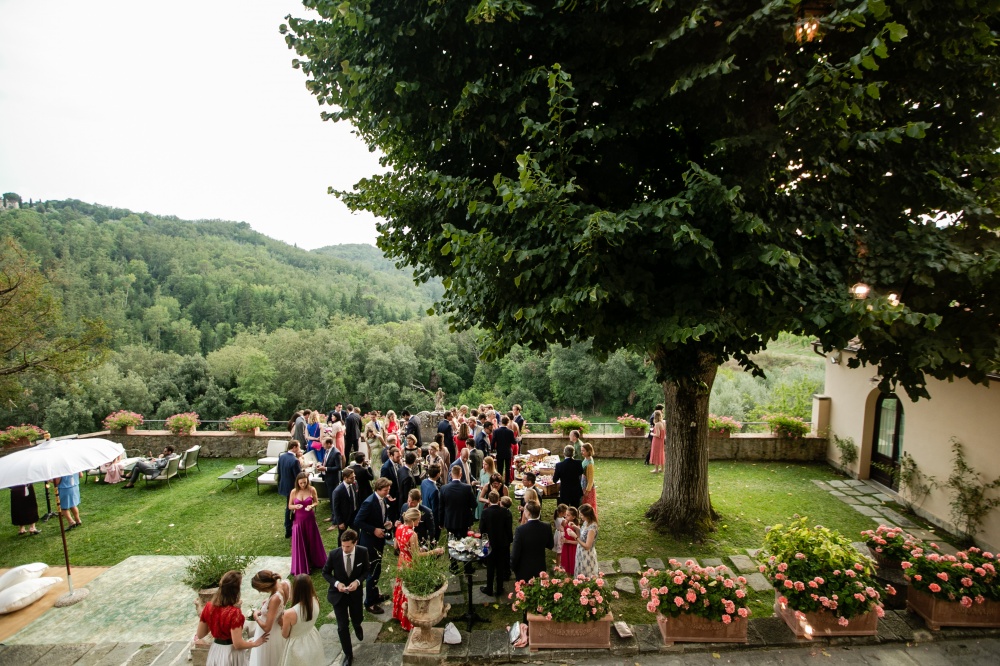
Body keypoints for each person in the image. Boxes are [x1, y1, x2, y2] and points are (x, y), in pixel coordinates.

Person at [196, 570, 268, 665]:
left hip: (215, 651)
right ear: (236, 591)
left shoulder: (209, 607)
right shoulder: (234, 613)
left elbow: (200, 634)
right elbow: (237, 644)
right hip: (231, 654)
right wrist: (255, 643)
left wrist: (216, 623)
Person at [392, 508, 445, 630]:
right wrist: (434, 551)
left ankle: (398, 614)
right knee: (410, 592)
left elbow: (396, 546)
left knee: (401, 588)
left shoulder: (399, 528)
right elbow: (416, 556)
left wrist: (408, 551)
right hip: (411, 564)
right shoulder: (412, 534)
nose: (420, 521)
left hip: (401, 561)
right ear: (413, 520)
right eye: (418, 519)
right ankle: (408, 619)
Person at [323, 529, 368, 666]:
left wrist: (358, 582)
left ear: (355, 543)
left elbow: (366, 570)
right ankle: (348, 654)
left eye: (348, 546)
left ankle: (357, 624)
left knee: (357, 616)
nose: (345, 549)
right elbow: (325, 572)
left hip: (355, 594)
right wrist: (337, 584)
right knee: (342, 627)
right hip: (339, 595)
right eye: (343, 546)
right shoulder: (334, 554)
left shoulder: (362, 552)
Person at [355, 477, 393, 614]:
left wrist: (384, 524)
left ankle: (375, 595)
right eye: (385, 490)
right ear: (377, 489)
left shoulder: (382, 499)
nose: (387, 492)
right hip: (369, 542)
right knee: (372, 571)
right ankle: (369, 603)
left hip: (378, 540)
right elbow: (358, 521)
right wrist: (374, 530)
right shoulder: (369, 502)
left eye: (388, 490)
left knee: (377, 569)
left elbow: (379, 516)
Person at [289, 473, 328, 575]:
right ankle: (303, 565)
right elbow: (289, 506)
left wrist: (311, 506)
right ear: (297, 482)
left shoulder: (312, 489)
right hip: (298, 520)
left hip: (309, 519)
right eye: (301, 483)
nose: (303, 485)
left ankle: (316, 561)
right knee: (300, 542)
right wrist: (295, 507)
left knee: (312, 540)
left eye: (305, 483)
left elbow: (316, 501)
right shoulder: (294, 492)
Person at [280, 574, 323, 664]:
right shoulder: (316, 600)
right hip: (313, 640)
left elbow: (285, 634)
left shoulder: (290, 613)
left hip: (297, 647)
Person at [248, 570, 288, 666]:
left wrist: (256, 617)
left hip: (269, 636)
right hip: (277, 630)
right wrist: (268, 604)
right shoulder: (284, 584)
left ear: (264, 587)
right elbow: (282, 605)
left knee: (268, 660)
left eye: (259, 589)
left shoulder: (275, 598)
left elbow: (267, 628)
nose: (259, 591)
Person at [478, 490, 513, 597]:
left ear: (488, 500)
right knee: (500, 566)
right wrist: (509, 540)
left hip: (490, 543)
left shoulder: (485, 512)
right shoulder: (505, 512)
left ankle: (489, 588)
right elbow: (508, 528)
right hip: (502, 543)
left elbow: (482, 529)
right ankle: (499, 589)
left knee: (490, 566)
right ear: (498, 500)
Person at [510, 500, 553, 583]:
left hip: (524, 568)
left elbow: (515, 553)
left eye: (525, 510)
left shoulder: (520, 530)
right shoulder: (547, 526)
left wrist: (512, 566)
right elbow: (550, 545)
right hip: (540, 566)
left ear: (528, 513)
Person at [439, 464, 477, 539]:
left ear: (450, 474)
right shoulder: (467, 488)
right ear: (461, 474)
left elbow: (441, 508)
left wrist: (441, 523)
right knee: (464, 542)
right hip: (464, 520)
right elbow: (474, 504)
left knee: (451, 542)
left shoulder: (443, 488)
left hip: (450, 520)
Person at [278, 441, 302, 539]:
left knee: (289, 507)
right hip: (292, 488)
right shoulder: (295, 460)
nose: (299, 449)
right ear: (294, 447)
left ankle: (290, 527)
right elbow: (299, 477)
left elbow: (279, 471)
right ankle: (289, 529)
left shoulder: (282, 457)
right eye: (299, 447)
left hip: (284, 485)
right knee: (290, 508)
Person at [330, 468, 359, 541]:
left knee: (357, 534)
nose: (354, 479)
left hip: (354, 514)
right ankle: (341, 550)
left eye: (354, 476)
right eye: (351, 478)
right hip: (344, 517)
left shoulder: (354, 484)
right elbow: (335, 508)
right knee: (342, 536)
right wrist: (340, 522)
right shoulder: (338, 491)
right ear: (345, 478)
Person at [552, 445, 584, 509]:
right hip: (576, 491)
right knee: (575, 509)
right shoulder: (578, 463)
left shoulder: (559, 465)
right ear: (573, 454)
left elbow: (555, 480)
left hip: (565, 491)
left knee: (564, 510)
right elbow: (581, 472)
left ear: (564, 454)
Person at [318, 437, 343, 512]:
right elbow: (326, 461)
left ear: (329, 444)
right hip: (327, 477)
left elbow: (339, 467)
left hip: (333, 479)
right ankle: (333, 514)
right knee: (330, 497)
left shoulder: (336, 453)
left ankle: (334, 516)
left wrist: (325, 468)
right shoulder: (327, 451)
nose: (322, 446)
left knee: (333, 499)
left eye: (324, 444)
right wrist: (321, 465)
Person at [574, 504, 599, 577]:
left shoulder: (592, 528)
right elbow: (583, 533)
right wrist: (575, 527)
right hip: (580, 552)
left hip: (587, 554)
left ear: (587, 515)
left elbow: (587, 546)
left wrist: (575, 537)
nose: (580, 517)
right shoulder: (586, 522)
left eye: (581, 515)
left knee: (586, 574)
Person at [380, 446, 403, 522]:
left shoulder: (398, 464)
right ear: (391, 456)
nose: (399, 458)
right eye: (397, 457)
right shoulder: (386, 467)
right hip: (391, 495)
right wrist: (387, 495)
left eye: (400, 456)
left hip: (398, 493)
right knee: (392, 515)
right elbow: (383, 482)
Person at [493, 416, 516, 483]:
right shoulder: (510, 432)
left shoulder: (496, 431)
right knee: (507, 468)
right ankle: (507, 482)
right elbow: (513, 442)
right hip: (507, 452)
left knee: (499, 468)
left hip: (499, 451)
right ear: (507, 422)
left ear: (501, 422)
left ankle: (499, 481)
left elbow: (493, 441)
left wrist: (492, 450)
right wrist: (517, 440)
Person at [420, 463, 442, 539]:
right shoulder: (435, 490)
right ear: (438, 474)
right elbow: (435, 510)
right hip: (431, 516)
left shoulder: (424, 482)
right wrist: (438, 523)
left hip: (423, 512)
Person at [475, 456, 496, 520]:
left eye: (485, 464)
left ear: (490, 465)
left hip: (488, 494)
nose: (483, 466)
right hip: (481, 493)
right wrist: (476, 483)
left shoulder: (494, 474)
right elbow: (481, 481)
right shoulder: (482, 471)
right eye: (483, 464)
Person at [580, 442, 598, 519]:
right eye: (581, 450)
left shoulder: (589, 463)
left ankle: (590, 519)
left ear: (588, 451)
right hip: (584, 483)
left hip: (588, 487)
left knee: (588, 505)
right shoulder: (586, 459)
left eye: (583, 451)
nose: (582, 452)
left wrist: (587, 491)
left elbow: (590, 479)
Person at [561, 506, 579, 575]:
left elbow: (578, 542)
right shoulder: (566, 523)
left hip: (572, 548)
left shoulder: (576, 527)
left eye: (568, 515)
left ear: (574, 517)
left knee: (572, 563)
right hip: (566, 547)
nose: (566, 517)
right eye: (565, 515)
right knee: (566, 564)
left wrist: (567, 541)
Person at [650, 409, 665, 473]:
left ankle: (656, 469)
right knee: (661, 453)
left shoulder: (657, 424)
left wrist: (652, 434)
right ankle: (662, 469)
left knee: (656, 453)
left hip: (657, 441)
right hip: (661, 441)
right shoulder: (662, 422)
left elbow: (658, 435)